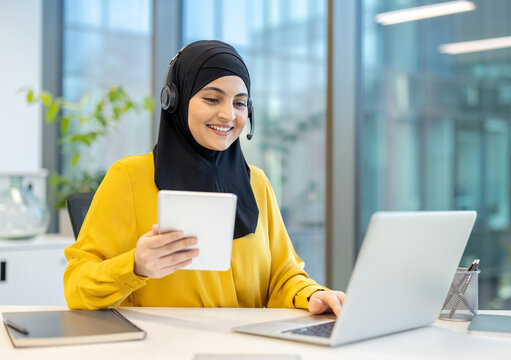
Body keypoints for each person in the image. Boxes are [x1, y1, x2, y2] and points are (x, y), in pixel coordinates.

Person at [63, 40, 345, 315]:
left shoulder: (257, 182)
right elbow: (77, 286)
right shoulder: (130, 177)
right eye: (212, 98)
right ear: (175, 101)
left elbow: (283, 277)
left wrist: (314, 295)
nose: (228, 114)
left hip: (246, 346)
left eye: (240, 103)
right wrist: (135, 266)